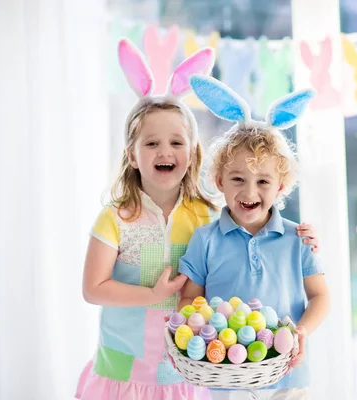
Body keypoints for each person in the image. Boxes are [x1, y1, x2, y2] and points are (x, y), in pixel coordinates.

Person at [76, 40, 320, 400]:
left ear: (193, 153)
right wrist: (151, 294)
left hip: (188, 368)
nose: (165, 151)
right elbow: (93, 288)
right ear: (132, 154)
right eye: (151, 143)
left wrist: (300, 234)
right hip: (126, 368)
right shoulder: (115, 217)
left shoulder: (206, 213)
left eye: (176, 143)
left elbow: (254, 229)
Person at [178, 74, 330, 400]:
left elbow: (320, 296)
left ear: (281, 186)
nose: (249, 191)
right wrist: (193, 331)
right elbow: (190, 300)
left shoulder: (297, 238)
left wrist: (301, 331)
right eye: (238, 178)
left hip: (287, 375)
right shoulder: (205, 240)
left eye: (263, 181)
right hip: (224, 378)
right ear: (219, 180)